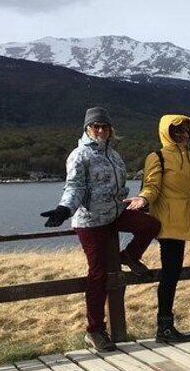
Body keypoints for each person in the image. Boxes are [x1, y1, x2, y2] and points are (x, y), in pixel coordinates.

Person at [41, 107, 160, 352]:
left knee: (150, 225)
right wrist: (64, 209)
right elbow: (74, 186)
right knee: (99, 273)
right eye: (96, 126)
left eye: (104, 126)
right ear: (87, 128)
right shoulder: (79, 155)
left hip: (115, 213)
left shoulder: (113, 154)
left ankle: (129, 256)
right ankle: (94, 331)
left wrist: (128, 200)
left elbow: (119, 185)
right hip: (91, 220)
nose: (101, 130)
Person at [124, 114, 190, 343]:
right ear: (166, 132)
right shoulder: (157, 157)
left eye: (185, 131)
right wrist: (142, 199)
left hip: (187, 215)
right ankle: (164, 327)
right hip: (169, 222)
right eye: (177, 131)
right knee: (171, 274)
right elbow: (151, 186)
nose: (182, 135)